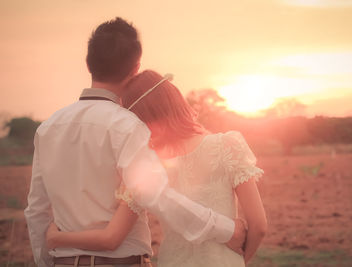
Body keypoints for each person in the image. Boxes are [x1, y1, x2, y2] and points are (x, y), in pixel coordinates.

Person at [24, 17, 246, 267]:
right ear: (135, 67)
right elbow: (157, 195)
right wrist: (226, 230)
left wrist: (45, 261)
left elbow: (36, 211)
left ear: (89, 64)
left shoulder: (48, 128)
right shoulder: (127, 126)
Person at [46, 70, 268, 266]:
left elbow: (111, 237)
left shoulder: (145, 166)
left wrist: (58, 238)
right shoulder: (228, 145)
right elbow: (258, 226)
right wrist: (237, 261)